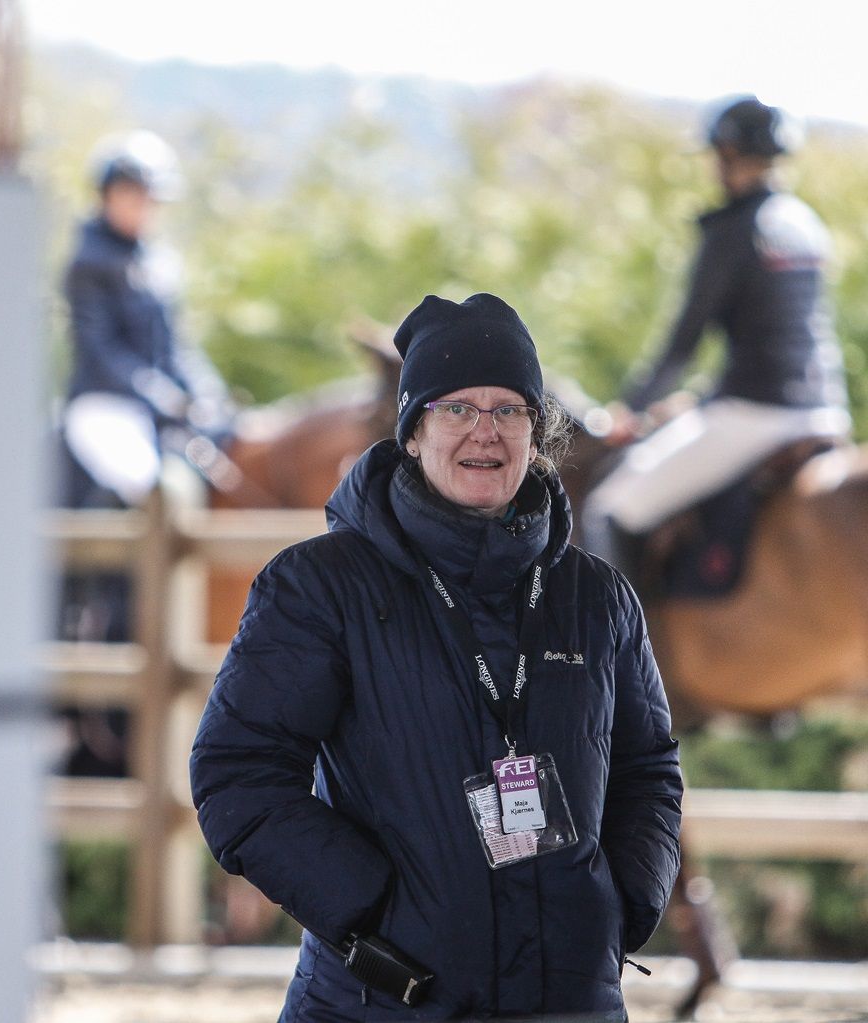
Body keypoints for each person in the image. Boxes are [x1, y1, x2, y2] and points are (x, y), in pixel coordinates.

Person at [190, 293, 683, 1021]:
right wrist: (374, 911)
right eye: (456, 408)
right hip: (384, 998)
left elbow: (650, 768)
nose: (485, 430)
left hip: (570, 999)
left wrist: (620, 906)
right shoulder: (319, 586)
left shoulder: (598, 596)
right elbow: (237, 770)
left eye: (509, 409)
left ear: (536, 434)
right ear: (413, 433)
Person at [583, 95, 850, 571]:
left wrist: (633, 408)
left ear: (728, 155)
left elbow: (684, 340)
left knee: (609, 510)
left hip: (756, 413)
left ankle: (620, 624)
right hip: (825, 411)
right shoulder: (806, 224)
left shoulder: (733, 229)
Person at [59, 128, 230, 512]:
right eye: (132, 195)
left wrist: (206, 391)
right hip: (106, 406)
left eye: (150, 198)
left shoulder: (160, 262)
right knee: (142, 482)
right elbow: (100, 350)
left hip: (158, 408)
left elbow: (176, 345)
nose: (143, 206)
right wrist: (161, 395)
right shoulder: (88, 262)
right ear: (106, 195)